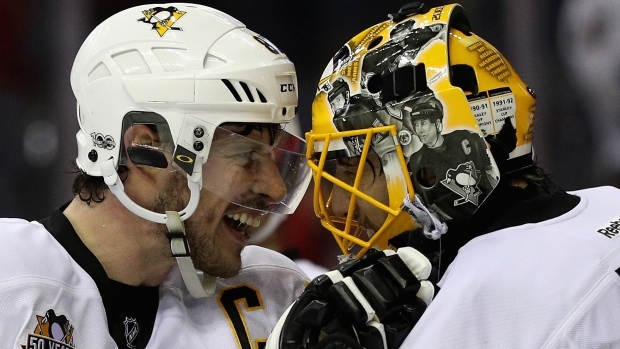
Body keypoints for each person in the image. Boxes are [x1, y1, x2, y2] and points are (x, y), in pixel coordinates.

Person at [268, 2, 620, 348]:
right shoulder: (608, 203)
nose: (341, 203)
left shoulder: (479, 307)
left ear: (429, 166)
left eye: (352, 170)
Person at [1, 3, 311, 348]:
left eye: (271, 155)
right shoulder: (11, 280)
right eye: (245, 155)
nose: (274, 186)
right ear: (144, 150)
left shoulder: (276, 291)